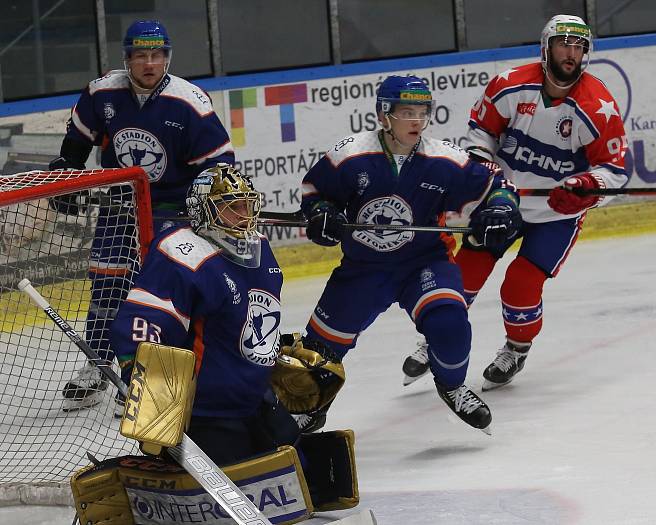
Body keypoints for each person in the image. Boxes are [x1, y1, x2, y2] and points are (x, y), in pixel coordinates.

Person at [402, 14, 629, 391]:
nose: (571, 53)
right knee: (466, 271)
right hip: (503, 200)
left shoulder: (597, 105)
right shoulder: (510, 85)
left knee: (521, 282)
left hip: (557, 212)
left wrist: (584, 184)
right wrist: (485, 167)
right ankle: (439, 338)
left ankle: (516, 348)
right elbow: (481, 136)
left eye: (578, 47)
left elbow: (614, 170)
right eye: (563, 44)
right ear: (546, 47)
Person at [297, 75, 522, 434]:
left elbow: (497, 185)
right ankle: (309, 405)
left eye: (422, 112)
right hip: (364, 269)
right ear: (384, 115)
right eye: (407, 112)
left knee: (449, 320)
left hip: (423, 262)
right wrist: (322, 214)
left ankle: (451, 386)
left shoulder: (443, 159)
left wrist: (500, 209)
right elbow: (315, 194)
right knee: (317, 352)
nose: (417, 120)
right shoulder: (351, 155)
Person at [49, 20, 234, 411]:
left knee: (157, 293)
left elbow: (218, 169)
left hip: (173, 210)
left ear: (167, 57)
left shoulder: (191, 102)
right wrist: (66, 179)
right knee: (107, 284)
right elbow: (74, 148)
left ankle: (143, 374)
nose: (149, 64)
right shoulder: (103, 93)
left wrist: (204, 208)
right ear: (127, 59)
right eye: (140, 56)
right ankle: (99, 365)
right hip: (121, 206)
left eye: (157, 55)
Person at [108, 165, 298, 464]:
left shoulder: (259, 246)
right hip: (207, 411)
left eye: (247, 204)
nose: (243, 214)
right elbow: (142, 320)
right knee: (244, 484)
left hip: (256, 399)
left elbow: (248, 320)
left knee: (306, 476)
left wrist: (278, 354)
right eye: (231, 207)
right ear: (202, 211)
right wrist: (144, 378)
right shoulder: (182, 252)